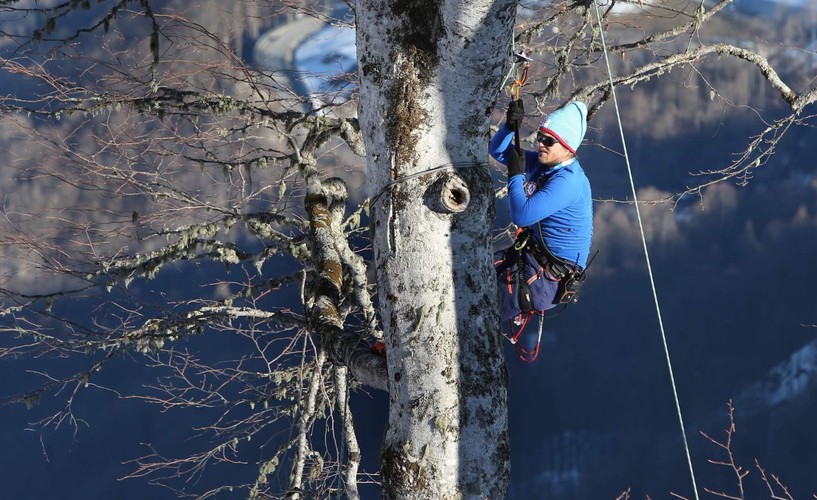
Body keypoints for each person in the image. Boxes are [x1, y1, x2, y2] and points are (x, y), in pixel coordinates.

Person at [490, 98, 593, 321]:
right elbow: (498, 152)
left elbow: (522, 214)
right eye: (540, 137)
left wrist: (516, 175)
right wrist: (509, 126)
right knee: (474, 270)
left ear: (567, 147)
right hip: (532, 259)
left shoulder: (568, 182)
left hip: (546, 277)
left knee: (481, 304)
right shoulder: (547, 165)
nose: (540, 144)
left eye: (548, 140)